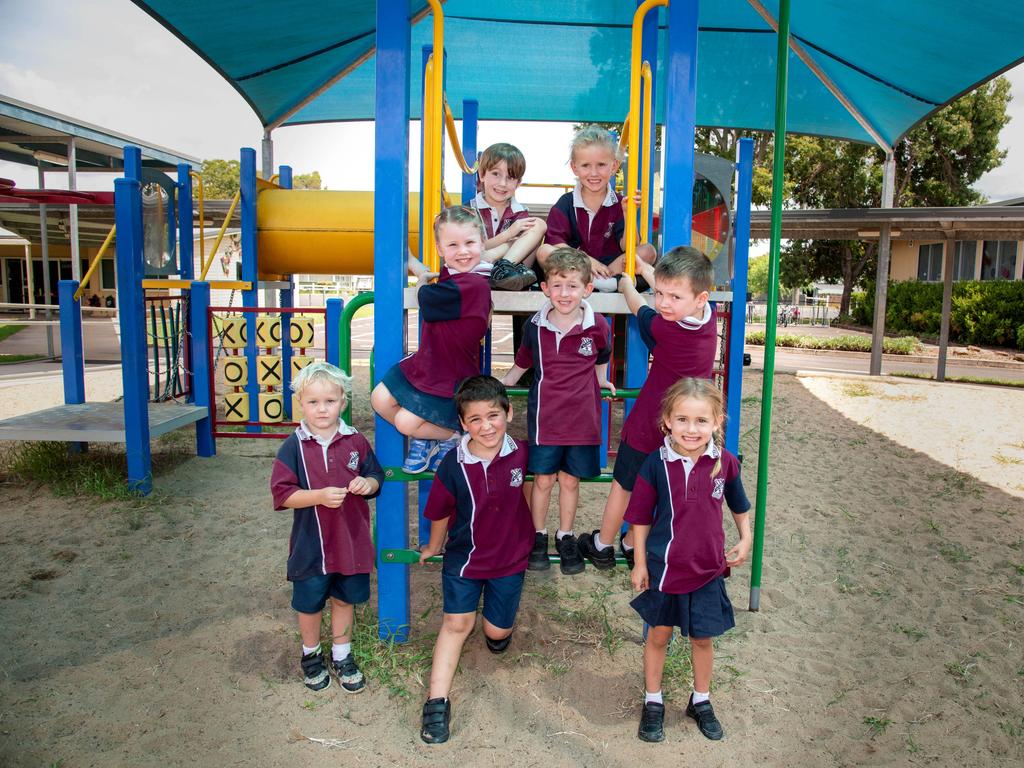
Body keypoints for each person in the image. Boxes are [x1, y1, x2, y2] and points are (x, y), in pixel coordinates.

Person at [626, 377, 751, 743]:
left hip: (707, 569)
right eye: (682, 420)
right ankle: (653, 701)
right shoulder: (655, 465)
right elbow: (640, 518)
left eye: (701, 421)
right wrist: (640, 562)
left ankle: (701, 699)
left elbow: (739, 505)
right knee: (658, 636)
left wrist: (745, 538)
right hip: (665, 570)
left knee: (702, 638)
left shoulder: (724, 463)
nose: (691, 429)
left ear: (716, 422)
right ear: (667, 420)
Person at [578, 246, 718, 569]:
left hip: (648, 423)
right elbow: (673, 288)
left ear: (700, 298)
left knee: (623, 485)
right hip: (685, 428)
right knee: (662, 490)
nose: (664, 303)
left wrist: (628, 282)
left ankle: (602, 544)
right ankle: (630, 543)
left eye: (673, 298)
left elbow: (639, 308)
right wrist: (644, 268)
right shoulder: (704, 318)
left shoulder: (668, 329)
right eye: (660, 294)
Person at [417, 376, 534, 744]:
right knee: (456, 624)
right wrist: (434, 545)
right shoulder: (453, 464)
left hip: (509, 559)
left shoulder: (522, 452)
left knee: (496, 633)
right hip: (465, 560)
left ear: (509, 413)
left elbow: (534, 489)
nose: (487, 426)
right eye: (476, 419)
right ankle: (436, 702)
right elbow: (438, 511)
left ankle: (498, 631)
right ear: (464, 424)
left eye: (494, 416)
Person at [269, 362, 384, 694]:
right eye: (313, 402)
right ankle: (311, 655)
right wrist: (317, 496)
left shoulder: (356, 441)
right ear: (301, 404)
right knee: (310, 603)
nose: (322, 409)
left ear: (343, 403)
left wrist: (367, 483)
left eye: (330, 401)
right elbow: (282, 494)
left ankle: (342, 655)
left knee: (344, 599)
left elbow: (377, 477)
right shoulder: (293, 446)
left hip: (351, 541)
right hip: (311, 545)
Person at [500, 246, 613, 575]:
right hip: (545, 419)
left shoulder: (597, 326)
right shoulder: (535, 327)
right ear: (545, 288)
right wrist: (505, 383)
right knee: (544, 479)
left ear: (587, 289)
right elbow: (523, 360)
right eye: (558, 285)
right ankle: (538, 534)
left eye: (573, 285)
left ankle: (565, 535)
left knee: (570, 480)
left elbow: (602, 355)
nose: (565, 293)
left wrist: (602, 380)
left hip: (582, 420)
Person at [371, 206, 491, 474]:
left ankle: (450, 436)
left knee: (404, 422)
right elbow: (431, 279)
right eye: (453, 244)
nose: (463, 251)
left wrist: (422, 284)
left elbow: (427, 298)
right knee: (379, 399)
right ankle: (431, 438)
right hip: (428, 364)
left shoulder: (475, 284)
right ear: (440, 249)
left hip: (450, 376)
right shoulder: (454, 275)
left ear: (482, 243)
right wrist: (411, 260)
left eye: (470, 243)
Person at [537, 124, 656, 292]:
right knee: (544, 251)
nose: (594, 173)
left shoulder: (620, 202)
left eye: (601, 165)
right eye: (586, 165)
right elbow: (555, 242)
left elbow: (628, 247)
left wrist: (628, 214)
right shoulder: (566, 202)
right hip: (576, 267)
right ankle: (595, 281)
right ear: (574, 167)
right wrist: (586, 260)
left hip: (611, 266)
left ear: (614, 166)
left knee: (648, 251)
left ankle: (604, 281)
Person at [470, 142, 547, 291]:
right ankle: (499, 265)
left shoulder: (519, 213)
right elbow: (473, 249)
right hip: (476, 271)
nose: (502, 183)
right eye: (496, 174)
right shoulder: (469, 211)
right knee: (519, 238)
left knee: (539, 224)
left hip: (512, 274)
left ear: (518, 183)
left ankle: (503, 268)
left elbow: (525, 250)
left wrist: (493, 255)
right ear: (482, 174)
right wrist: (509, 234)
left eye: (510, 177)